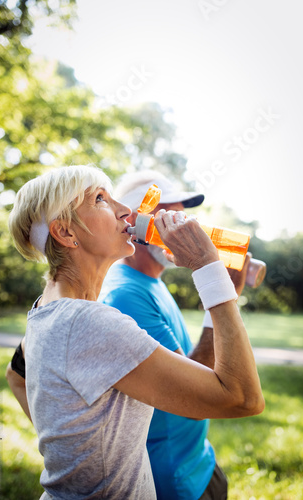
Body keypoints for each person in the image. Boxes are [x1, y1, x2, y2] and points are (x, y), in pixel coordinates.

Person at [6, 164, 264, 500]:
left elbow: (15, 373)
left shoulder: (46, 310)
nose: (126, 211)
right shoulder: (89, 323)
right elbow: (243, 398)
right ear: (66, 233)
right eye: (100, 199)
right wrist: (208, 268)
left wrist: (70, 451)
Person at [99, 170, 249, 500]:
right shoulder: (125, 296)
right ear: (136, 221)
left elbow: (194, 367)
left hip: (199, 461)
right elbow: (195, 400)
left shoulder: (152, 281)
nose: (183, 226)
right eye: (169, 216)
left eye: (183, 216)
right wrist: (218, 297)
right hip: (173, 480)